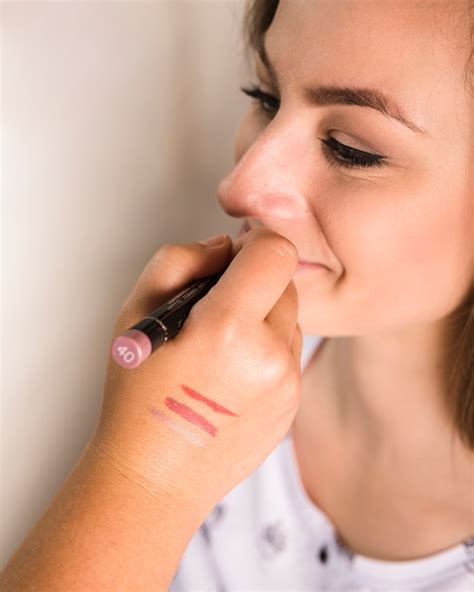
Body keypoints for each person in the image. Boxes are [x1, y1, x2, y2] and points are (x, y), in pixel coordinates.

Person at [1, 0, 473, 590]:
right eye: (266, 98)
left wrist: (150, 476)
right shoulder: (212, 360)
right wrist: (137, 466)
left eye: (352, 148)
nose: (240, 185)